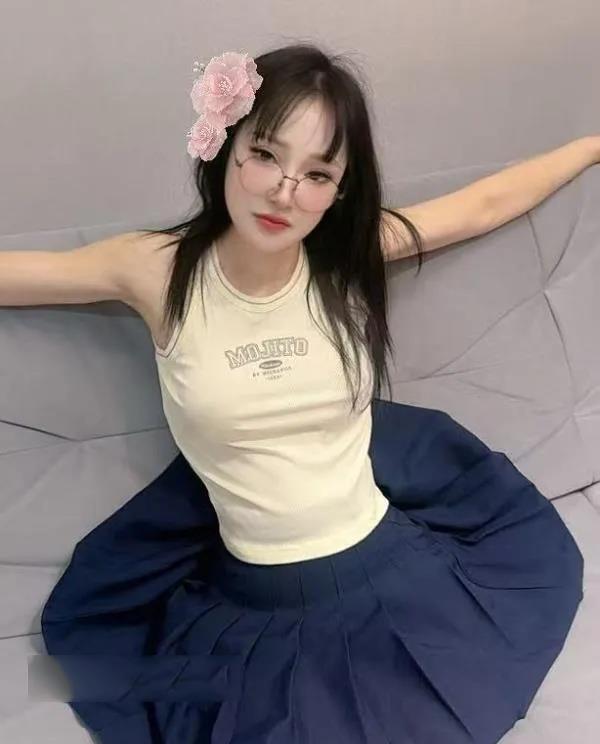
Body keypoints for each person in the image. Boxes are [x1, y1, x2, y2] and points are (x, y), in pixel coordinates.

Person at [37, 43, 584, 744]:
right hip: (254, 599)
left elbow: (484, 204)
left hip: (393, 572)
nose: (284, 193)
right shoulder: (154, 269)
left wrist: (592, 146)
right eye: (266, 155)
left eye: (318, 173)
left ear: (339, 190)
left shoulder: (342, 255)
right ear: (224, 145)